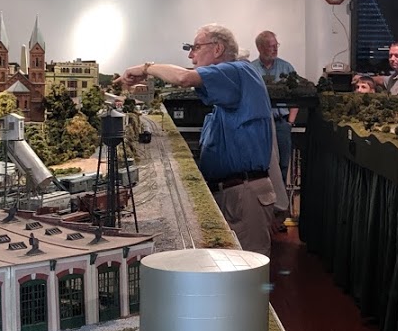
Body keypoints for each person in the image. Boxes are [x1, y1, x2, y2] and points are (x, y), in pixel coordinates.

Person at [121, 25, 276, 255]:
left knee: (244, 269)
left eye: (195, 48)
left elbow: (183, 77)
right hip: (232, 192)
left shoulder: (238, 71)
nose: (191, 55)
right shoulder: (231, 80)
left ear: (217, 49)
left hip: (243, 195)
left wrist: (146, 68)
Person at [251, 30, 296, 175]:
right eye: (271, 46)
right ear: (260, 48)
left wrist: (290, 122)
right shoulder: (251, 69)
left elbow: (297, 95)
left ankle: (281, 190)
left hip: (282, 123)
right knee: (260, 163)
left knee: (283, 163)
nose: (275, 49)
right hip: (258, 123)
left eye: (277, 45)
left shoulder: (286, 67)